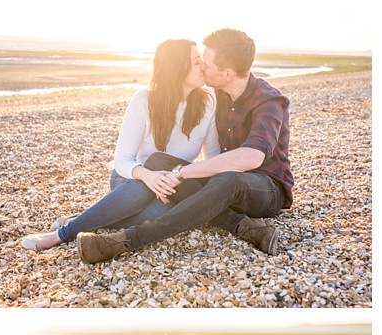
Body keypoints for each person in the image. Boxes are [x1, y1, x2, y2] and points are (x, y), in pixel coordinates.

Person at [76, 28, 294, 264]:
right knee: (159, 161)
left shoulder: (270, 101)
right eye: (199, 61)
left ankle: (126, 240)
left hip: (266, 189)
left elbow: (252, 157)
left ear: (227, 73)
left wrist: (183, 173)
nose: (202, 67)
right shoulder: (215, 95)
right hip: (224, 184)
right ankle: (242, 226)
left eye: (207, 64)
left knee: (227, 179)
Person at [21, 39, 220, 251]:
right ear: (178, 67)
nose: (203, 66)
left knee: (160, 213)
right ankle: (61, 234)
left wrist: (183, 180)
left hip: (172, 185)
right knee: (141, 189)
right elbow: (122, 159)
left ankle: (80, 219)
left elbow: (213, 158)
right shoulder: (144, 100)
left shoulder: (208, 102)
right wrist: (148, 176)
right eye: (197, 61)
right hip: (131, 181)